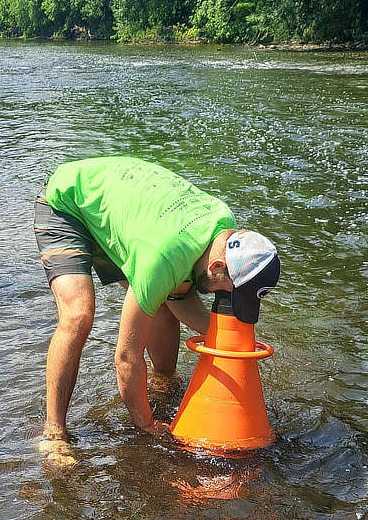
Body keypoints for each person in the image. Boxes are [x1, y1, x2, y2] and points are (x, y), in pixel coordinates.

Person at [33, 156, 281, 464]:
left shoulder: (224, 227)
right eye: (229, 293)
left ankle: (163, 381)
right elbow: (125, 358)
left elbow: (179, 300)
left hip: (126, 211)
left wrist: (231, 343)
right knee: (79, 314)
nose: (225, 300)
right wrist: (146, 424)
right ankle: (53, 432)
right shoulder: (162, 259)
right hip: (68, 203)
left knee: (162, 298)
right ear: (218, 267)